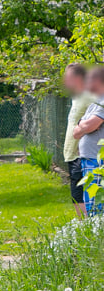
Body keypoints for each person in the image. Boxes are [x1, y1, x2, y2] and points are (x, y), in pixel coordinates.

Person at [62, 64, 95, 219]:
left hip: (81, 153)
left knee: (81, 193)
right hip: (71, 154)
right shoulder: (77, 97)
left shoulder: (91, 96)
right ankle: (83, 227)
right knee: (76, 192)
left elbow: (95, 122)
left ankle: (88, 227)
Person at [72, 66, 104, 217]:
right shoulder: (94, 104)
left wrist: (83, 125)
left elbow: (90, 125)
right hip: (88, 158)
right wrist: (84, 126)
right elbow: (76, 132)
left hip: (97, 160)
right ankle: (94, 231)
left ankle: (97, 232)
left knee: (97, 199)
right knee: (90, 199)